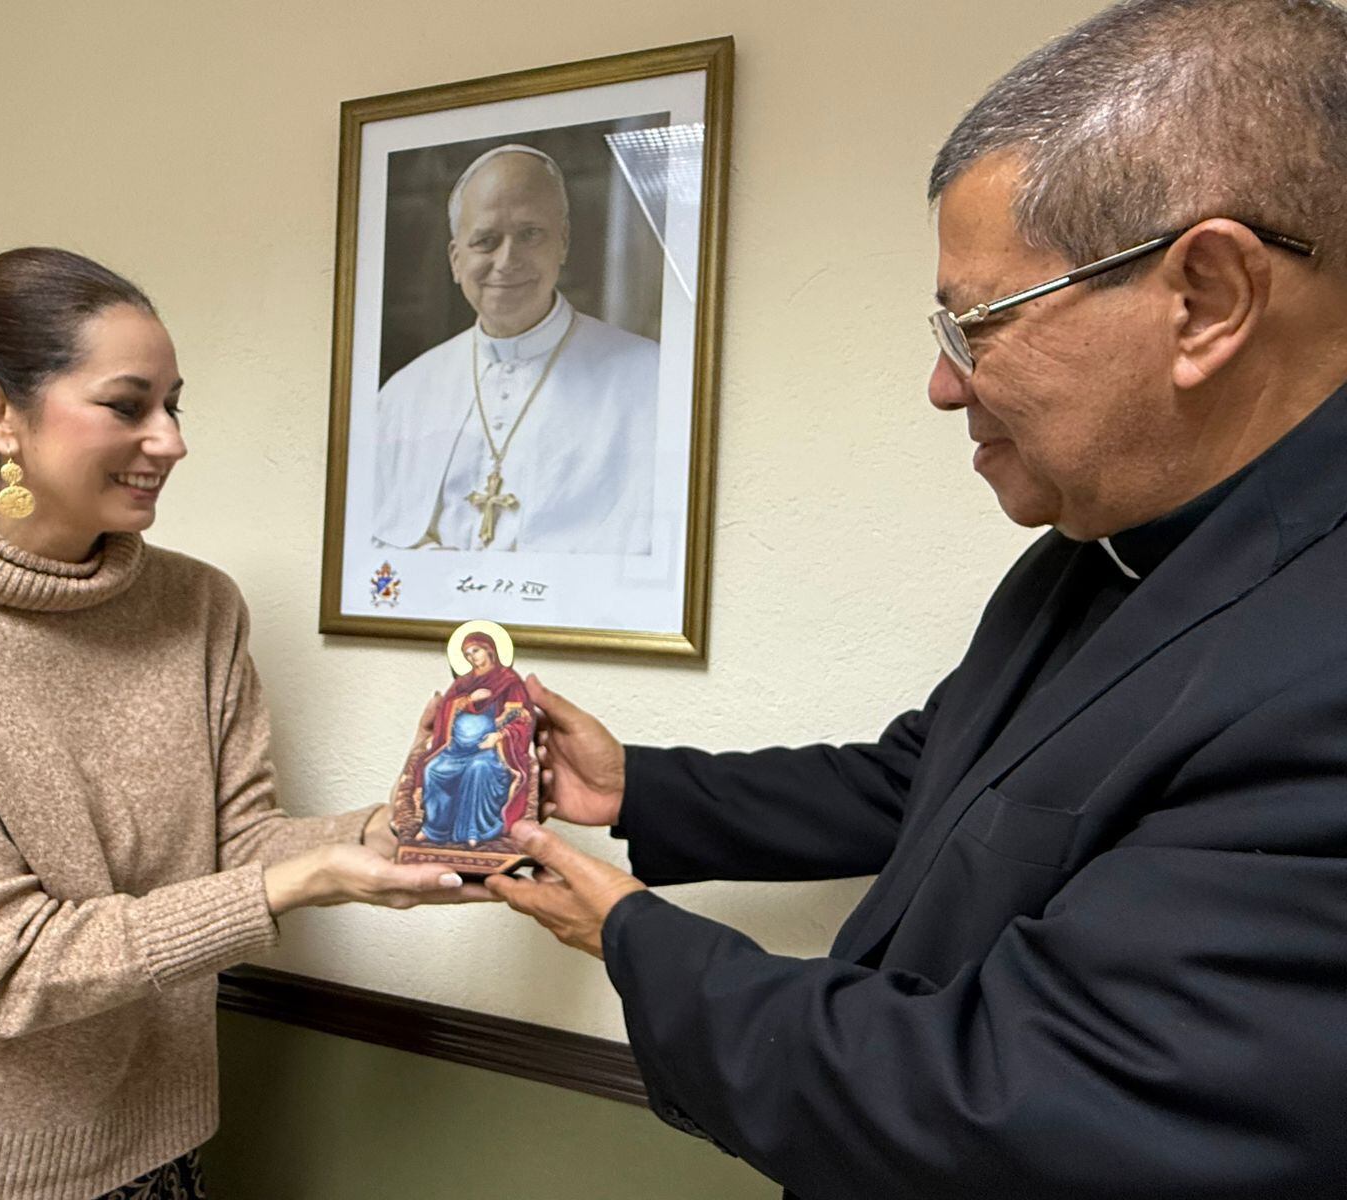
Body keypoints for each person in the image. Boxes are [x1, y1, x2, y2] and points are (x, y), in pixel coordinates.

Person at [488, 1, 1347, 1196]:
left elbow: (1021, 1108)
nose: (944, 384)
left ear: (1205, 297)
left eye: (976, 323)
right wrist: (634, 783)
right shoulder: (1093, 549)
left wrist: (633, 939)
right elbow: (930, 777)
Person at [0, 247, 489, 1199]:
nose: (170, 439)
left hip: (147, 1148)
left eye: (174, 404)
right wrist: (300, 883)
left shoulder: (199, 606)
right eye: (128, 404)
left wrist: (396, 828)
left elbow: (238, 845)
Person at [373, 144, 660, 555]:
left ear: (562, 243)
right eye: (486, 241)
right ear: (456, 260)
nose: (507, 260)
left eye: (529, 235)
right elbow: (370, 553)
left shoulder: (650, 381)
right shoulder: (403, 394)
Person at [418, 632, 531, 846]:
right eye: (467, 654)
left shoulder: (509, 682)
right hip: (457, 751)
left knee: (478, 769)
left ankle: (475, 831)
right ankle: (435, 829)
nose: (472, 658)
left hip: (491, 751)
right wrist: (469, 700)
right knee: (433, 770)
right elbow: (445, 711)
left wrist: (499, 736)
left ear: (489, 650)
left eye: (475, 651)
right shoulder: (463, 683)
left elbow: (522, 719)